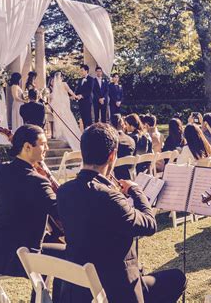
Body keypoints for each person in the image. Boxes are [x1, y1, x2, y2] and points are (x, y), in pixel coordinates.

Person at [57, 123, 186, 302]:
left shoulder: (64, 191)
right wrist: (135, 190)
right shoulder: (109, 197)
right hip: (118, 291)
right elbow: (149, 224)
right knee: (177, 278)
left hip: (79, 289)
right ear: (112, 155)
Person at [0, 125, 64, 300]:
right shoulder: (37, 182)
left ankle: (39, 299)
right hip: (16, 258)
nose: (46, 148)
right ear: (27, 147)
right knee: (70, 255)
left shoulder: (2, 170)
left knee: (49, 247)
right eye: (43, 144)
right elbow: (63, 213)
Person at [49, 72, 81, 151]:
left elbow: (53, 98)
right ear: (61, 77)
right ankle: (70, 135)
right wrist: (76, 96)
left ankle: (61, 134)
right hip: (65, 106)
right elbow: (70, 92)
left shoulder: (55, 87)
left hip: (58, 106)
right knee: (68, 119)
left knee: (60, 120)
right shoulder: (64, 84)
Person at [111, 114, 136, 180]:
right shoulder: (131, 140)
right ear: (122, 125)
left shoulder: (111, 141)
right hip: (130, 176)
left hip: (114, 178)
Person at [75, 64, 94, 128]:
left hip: (87, 101)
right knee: (83, 117)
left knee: (88, 117)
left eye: (82, 70)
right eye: (80, 71)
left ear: (86, 71)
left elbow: (90, 90)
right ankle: (85, 131)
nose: (81, 72)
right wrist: (75, 96)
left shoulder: (91, 79)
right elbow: (77, 90)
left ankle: (89, 131)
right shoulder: (80, 80)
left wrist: (82, 95)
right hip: (80, 102)